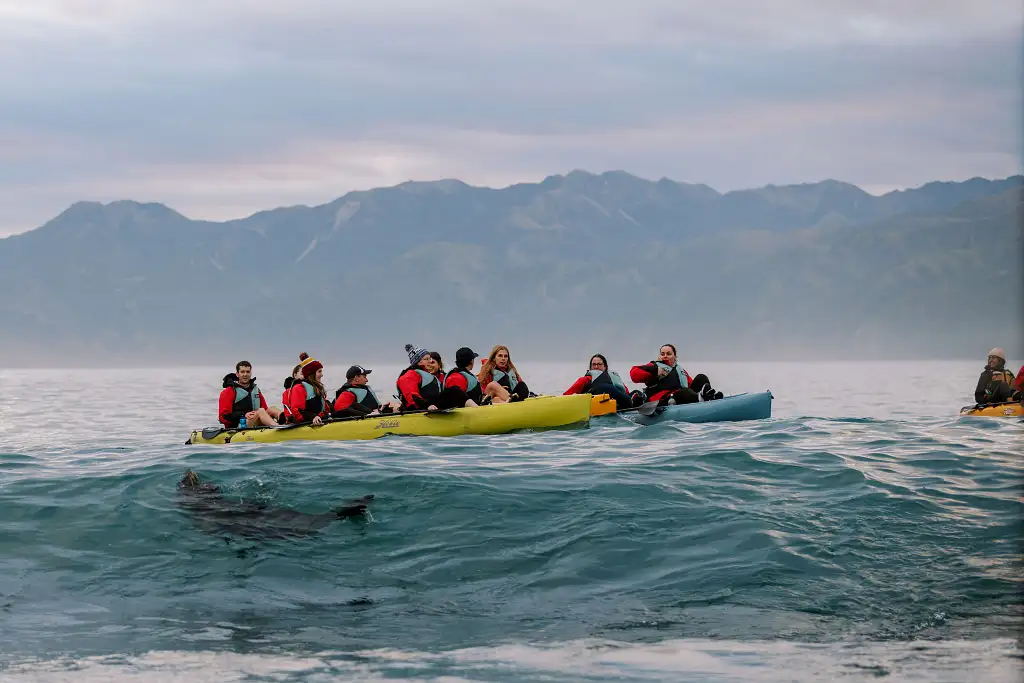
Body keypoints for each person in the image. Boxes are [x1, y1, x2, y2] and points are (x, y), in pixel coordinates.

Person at [630, 344, 722, 406]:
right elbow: (634, 374)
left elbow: (689, 384)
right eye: (663, 354)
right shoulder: (654, 366)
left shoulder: (680, 370)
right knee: (683, 392)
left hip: (685, 394)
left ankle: (708, 396)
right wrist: (654, 370)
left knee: (701, 378)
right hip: (665, 399)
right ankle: (700, 399)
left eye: (668, 354)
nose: (665, 356)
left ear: (674, 356)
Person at [397, 343, 475, 410]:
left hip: (433, 406)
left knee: (454, 391)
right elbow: (411, 395)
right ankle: (477, 410)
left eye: (429, 358)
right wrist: (427, 405)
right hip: (422, 409)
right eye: (426, 359)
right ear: (418, 362)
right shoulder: (410, 375)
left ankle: (475, 408)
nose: (430, 361)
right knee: (454, 391)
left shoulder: (427, 374)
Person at [218, 360, 283, 428]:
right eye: (242, 372)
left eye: (248, 372)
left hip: (254, 422)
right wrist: (243, 415)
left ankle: (287, 422)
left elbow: (265, 410)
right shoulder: (229, 391)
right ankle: (277, 427)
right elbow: (223, 417)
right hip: (238, 426)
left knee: (272, 409)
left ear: (251, 373)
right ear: (237, 374)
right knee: (260, 411)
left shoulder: (255, 390)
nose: (245, 374)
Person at [563, 354, 639, 409]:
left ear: (605, 367)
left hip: (620, 405)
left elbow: (626, 393)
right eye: (594, 364)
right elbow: (566, 395)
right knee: (606, 387)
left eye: (599, 364)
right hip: (595, 403)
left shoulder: (614, 379)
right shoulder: (585, 380)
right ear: (590, 367)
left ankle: (641, 402)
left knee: (637, 392)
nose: (596, 367)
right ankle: (631, 403)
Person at [444, 347, 511, 405]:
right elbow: (457, 399)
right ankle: (513, 406)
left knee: (493, 386)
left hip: (478, 402)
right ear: (471, 361)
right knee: (495, 396)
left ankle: (512, 401)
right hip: (472, 408)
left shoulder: (464, 375)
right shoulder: (456, 377)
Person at [332, 365, 397, 418]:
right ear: (356, 378)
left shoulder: (363, 389)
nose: (367, 380)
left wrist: (382, 410)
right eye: (364, 377)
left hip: (373, 416)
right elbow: (341, 412)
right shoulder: (347, 393)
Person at [285, 352, 330, 425]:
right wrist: (313, 417)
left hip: (319, 420)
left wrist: (320, 416)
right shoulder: (299, 388)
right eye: (319, 372)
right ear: (311, 373)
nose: (322, 375)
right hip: (305, 422)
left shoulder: (316, 388)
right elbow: (297, 411)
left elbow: (325, 410)